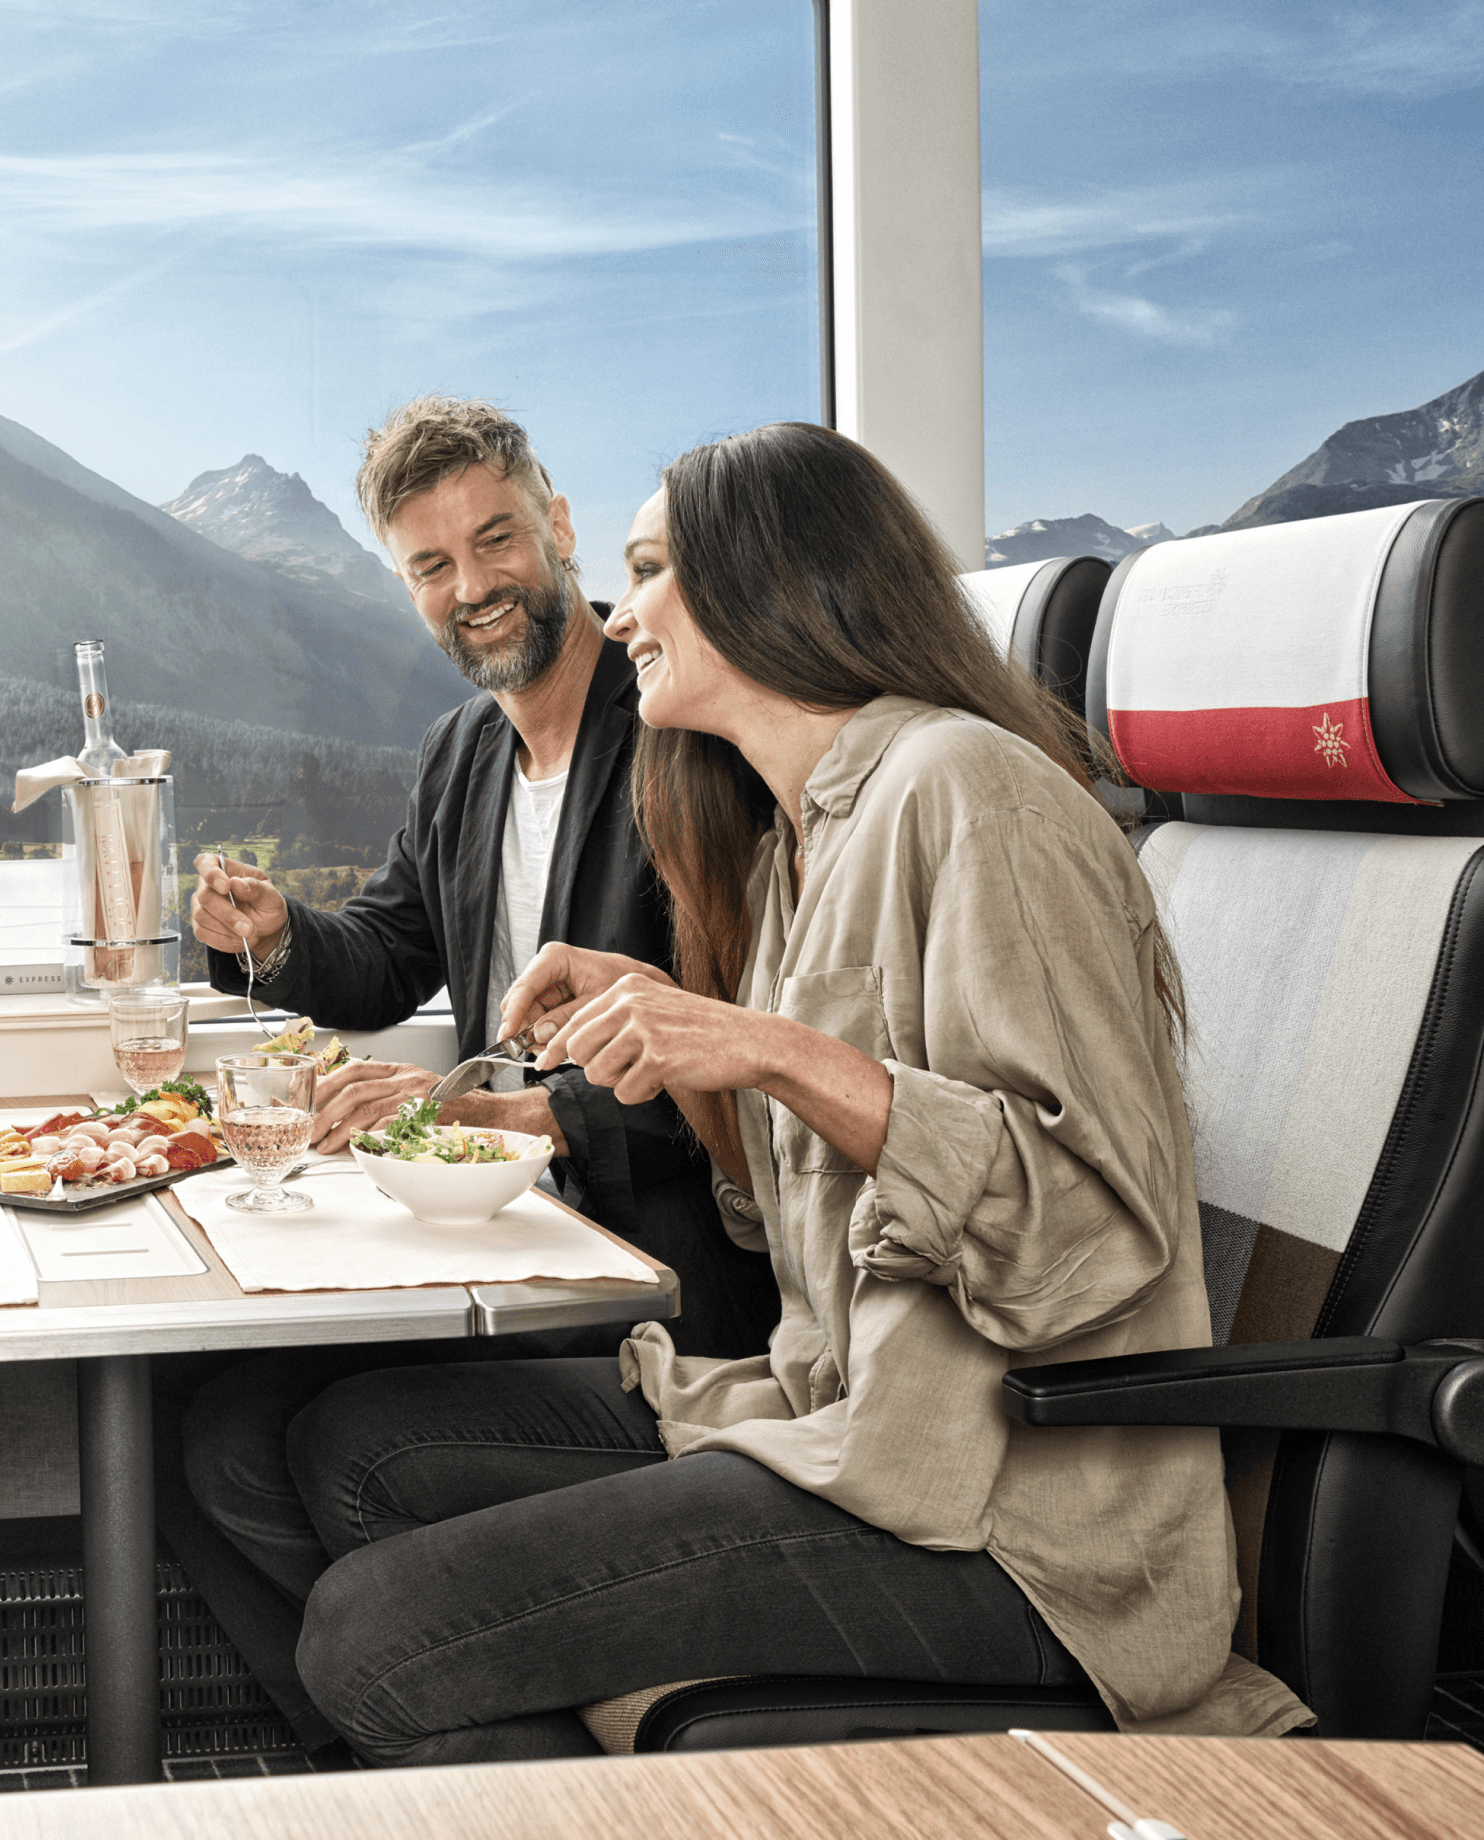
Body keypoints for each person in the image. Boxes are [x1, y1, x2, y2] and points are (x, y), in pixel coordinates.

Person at [280, 422, 1313, 1764]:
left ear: (770, 581)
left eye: (653, 569)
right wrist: (664, 1035)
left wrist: (769, 1050)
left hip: (1012, 1526)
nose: (627, 610)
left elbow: (1097, 1240)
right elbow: (781, 1229)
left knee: (373, 1635)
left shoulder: (971, 796)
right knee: (346, 1449)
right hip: (837, 1421)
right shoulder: (789, 857)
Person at [162, 397, 777, 1745]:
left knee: (320, 1439)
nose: (474, 587)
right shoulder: (462, 755)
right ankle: (408, 1743)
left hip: (665, 1265)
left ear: (557, 529)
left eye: (495, 541)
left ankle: (457, 1736)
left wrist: (523, 1118)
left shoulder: (682, 732)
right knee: (198, 1436)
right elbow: (394, 951)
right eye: (433, 567)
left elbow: (739, 1052)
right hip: (508, 1229)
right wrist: (275, 942)